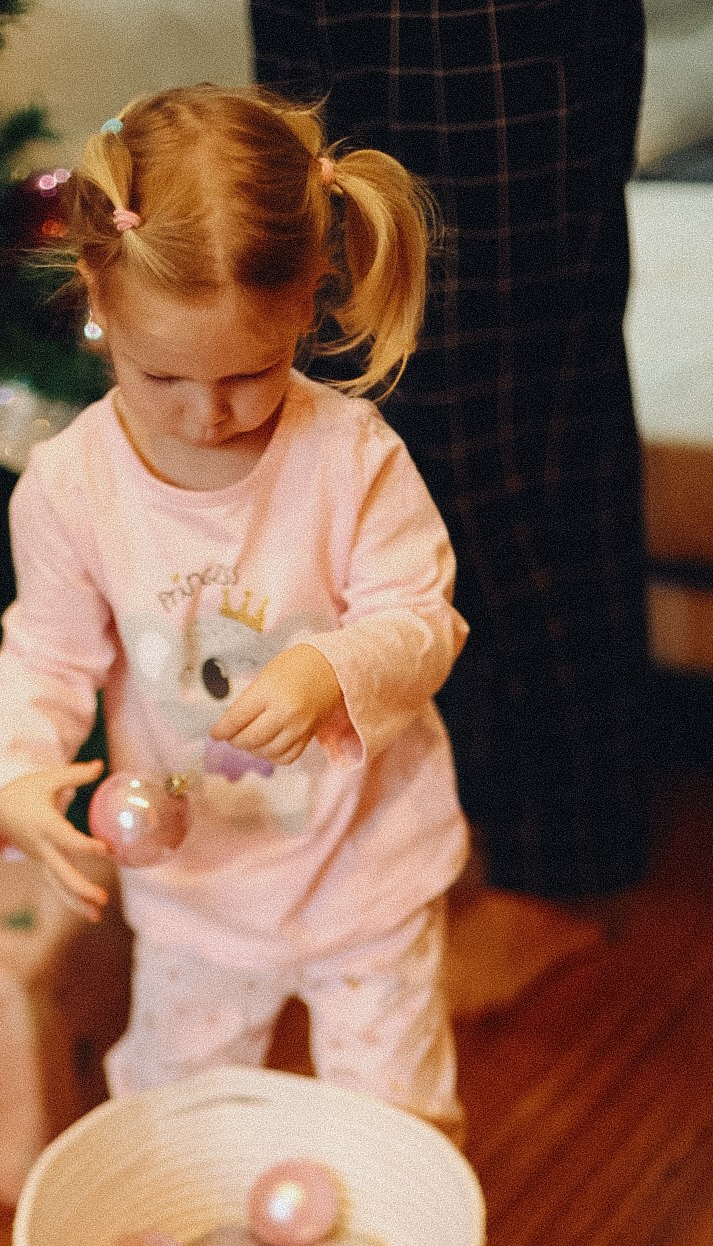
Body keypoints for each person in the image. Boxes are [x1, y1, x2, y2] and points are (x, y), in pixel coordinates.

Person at [0, 85, 469, 1137]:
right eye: (162, 377)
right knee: (172, 1111)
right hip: (196, 888)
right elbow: (46, 657)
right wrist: (12, 776)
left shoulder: (350, 457)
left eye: (252, 372)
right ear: (97, 302)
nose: (210, 415)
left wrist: (331, 668)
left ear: (307, 304)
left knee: (400, 1120)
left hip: (364, 870)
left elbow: (424, 618)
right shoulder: (70, 487)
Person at [249, 0, 652, 909]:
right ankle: (410, 838)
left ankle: (558, 874)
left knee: (518, 433)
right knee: (345, 381)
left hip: (490, 36)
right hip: (338, 31)